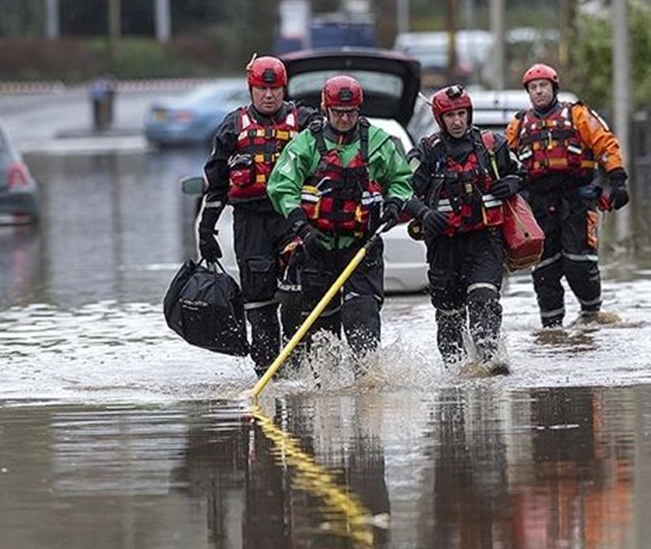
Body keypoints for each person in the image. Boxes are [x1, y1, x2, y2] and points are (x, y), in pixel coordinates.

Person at [265, 75, 413, 360]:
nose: (345, 119)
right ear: (325, 109)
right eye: (338, 112)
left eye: (351, 112)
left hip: (362, 246)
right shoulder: (306, 144)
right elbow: (281, 187)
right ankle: (325, 388)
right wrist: (303, 230)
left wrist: (395, 203)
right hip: (317, 246)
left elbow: (401, 179)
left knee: (363, 316)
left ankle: (366, 386)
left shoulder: (378, 143)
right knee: (322, 329)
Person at [197, 55, 317, 375]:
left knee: (297, 291)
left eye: (275, 88)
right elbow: (216, 182)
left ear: (283, 88)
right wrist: (206, 230)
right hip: (251, 223)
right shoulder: (232, 127)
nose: (269, 95)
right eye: (262, 89)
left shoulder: (306, 122)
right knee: (259, 301)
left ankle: (298, 365)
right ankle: (268, 372)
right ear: (251, 90)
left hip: (293, 220)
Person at [403, 84, 524, 367]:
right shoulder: (426, 152)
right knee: (449, 316)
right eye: (450, 116)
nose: (457, 121)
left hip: (485, 240)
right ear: (440, 119)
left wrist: (514, 182)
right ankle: (455, 373)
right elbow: (401, 190)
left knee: (484, 300)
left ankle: (489, 361)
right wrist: (422, 212)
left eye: (461, 114)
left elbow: (521, 171)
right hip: (444, 245)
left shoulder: (492, 146)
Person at [505, 63, 629, 328]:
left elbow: (605, 144)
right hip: (538, 204)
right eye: (533, 87)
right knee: (544, 268)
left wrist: (617, 180)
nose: (539, 92)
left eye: (543, 86)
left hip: (577, 199)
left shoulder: (578, 115)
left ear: (554, 87)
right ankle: (551, 331)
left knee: (579, 263)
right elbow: (505, 162)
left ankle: (591, 315)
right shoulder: (518, 125)